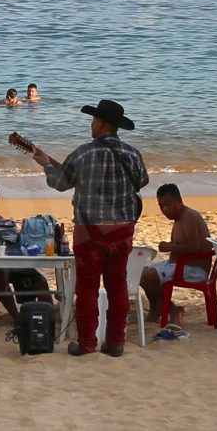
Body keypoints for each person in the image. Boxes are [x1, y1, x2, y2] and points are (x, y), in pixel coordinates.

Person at [30, 98, 148, 358]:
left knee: (87, 289)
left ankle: (86, 344)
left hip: (90, 231)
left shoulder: (82, 153)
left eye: (94, 121)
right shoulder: (132, 153)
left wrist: (46, 165)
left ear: (102, 124)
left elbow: (61, 183)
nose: (92, 125)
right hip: (122, 228)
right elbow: (141, 180)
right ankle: (116, 342)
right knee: (117, 286)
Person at [139, 184, 212, 325]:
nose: (164, 209)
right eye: (161, 206)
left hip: (194, 270)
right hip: (180, 265)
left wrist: (169, 247)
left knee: (147, 277)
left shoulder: (189, 216)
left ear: (179, 200)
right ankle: (164, 308)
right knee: (141, 273)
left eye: (168, 204)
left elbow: (193, 246)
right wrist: (171, 246)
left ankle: (168, 309)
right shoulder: (179, 218)